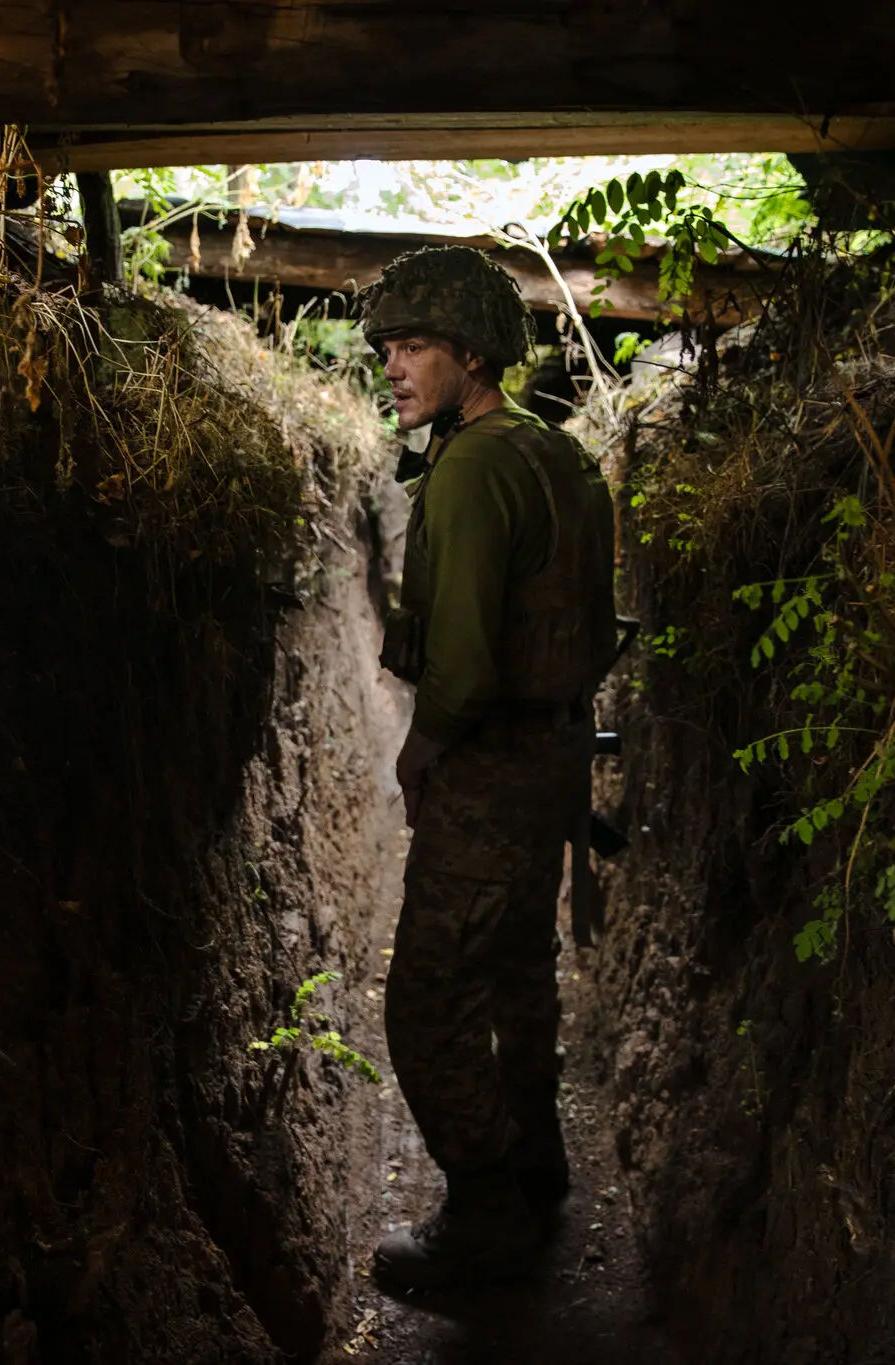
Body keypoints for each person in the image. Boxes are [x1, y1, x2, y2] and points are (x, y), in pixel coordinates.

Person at [362, 246, 617, 1290]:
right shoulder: (556, 454)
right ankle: (537, 1159)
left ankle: (486, 1215)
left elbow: (460, 663)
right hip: (552, 754)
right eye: (385, 347)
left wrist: (421, 749)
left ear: (471, 352)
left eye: (414, 345)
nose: (392, 365)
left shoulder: (467, 469)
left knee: (424, 1007)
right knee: (515, 969)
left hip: (489, 762)